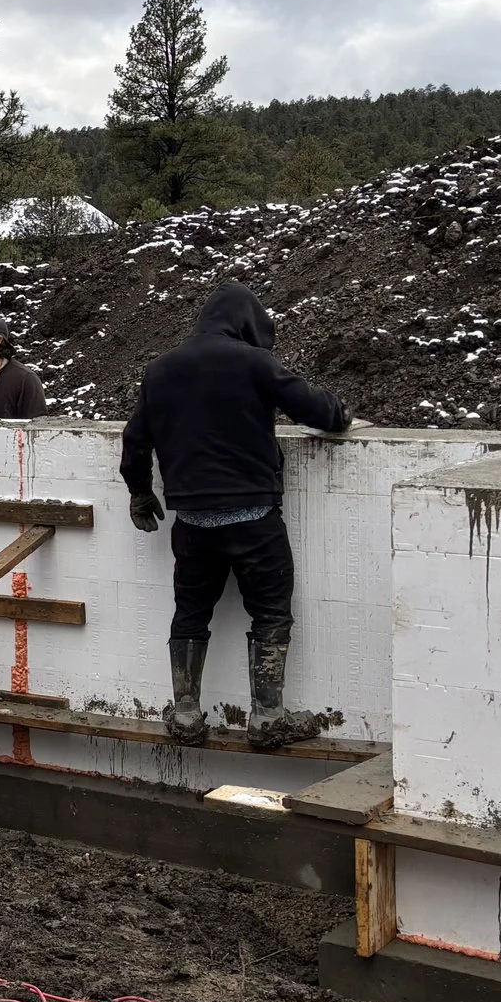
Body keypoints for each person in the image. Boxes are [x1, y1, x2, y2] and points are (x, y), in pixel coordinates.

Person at [120, 280, 351, 751]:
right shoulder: (253, 361)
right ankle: (267, 717)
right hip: (254, 520)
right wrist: (340, 414)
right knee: (270, 614)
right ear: (247, 323)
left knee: (190, 615)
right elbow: (313, 407)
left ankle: (185, 714)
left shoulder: (160, 369)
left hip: (193, 524)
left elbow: (135, 441)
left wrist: (141, 493)